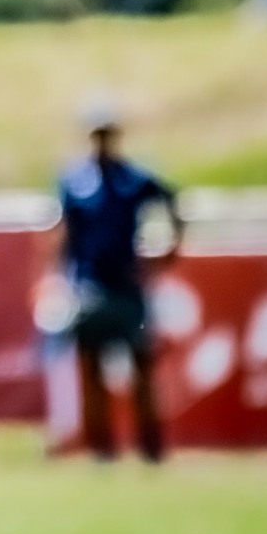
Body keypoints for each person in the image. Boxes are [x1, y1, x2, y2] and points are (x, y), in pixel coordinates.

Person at [55, 102, 183, 463]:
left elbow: (172, 201)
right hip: (88, 288)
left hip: (127, 288)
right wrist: (57, 281)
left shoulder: (134, 179)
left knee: (142, 372)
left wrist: (170, 249)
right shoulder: (75, 183)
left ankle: (151, 450)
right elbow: (63, 235)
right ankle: (102, 452)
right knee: (91, 373)